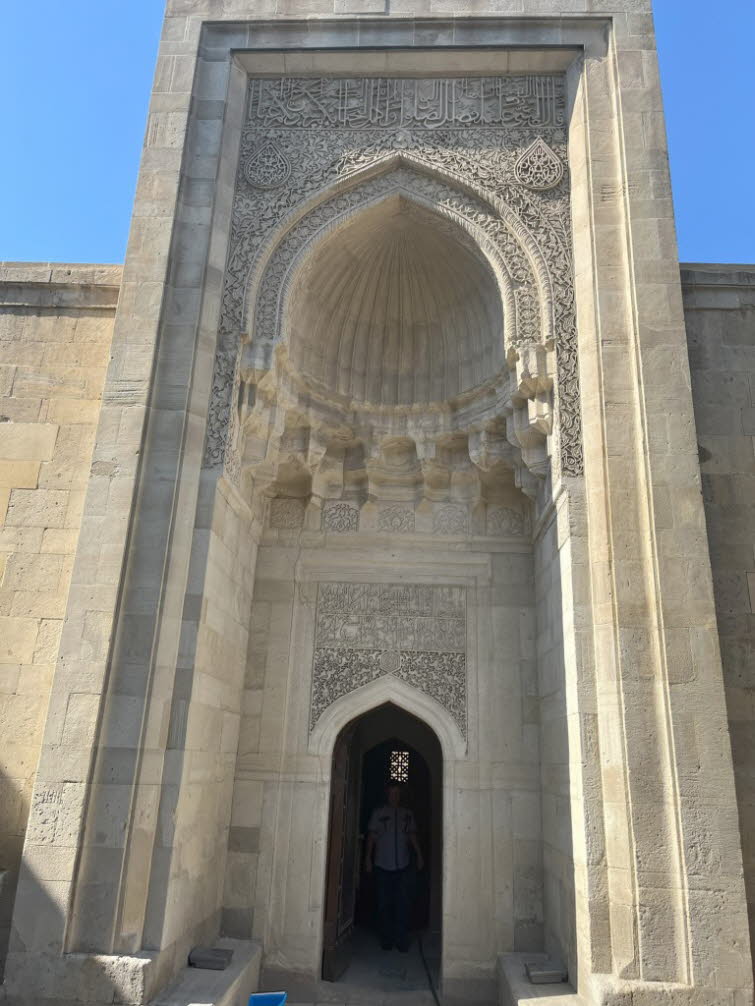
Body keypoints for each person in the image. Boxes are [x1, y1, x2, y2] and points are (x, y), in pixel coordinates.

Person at [364, 782, 424, 952]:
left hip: (403, 866)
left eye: (397, 793)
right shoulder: (379, 813)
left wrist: (419, 855)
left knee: (402, 904)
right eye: (392, 793)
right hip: (383, 865)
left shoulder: (407, 814)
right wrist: (367, 858)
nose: (394, 796)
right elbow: (371, 837)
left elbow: (412, 835)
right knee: (384, 904)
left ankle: (401, 940)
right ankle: (386, 940)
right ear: (387, 795)